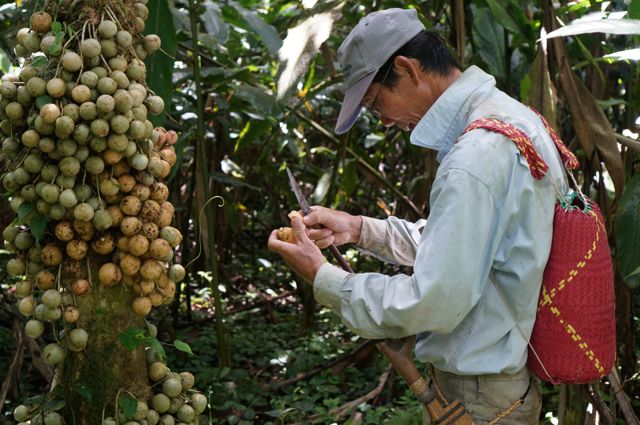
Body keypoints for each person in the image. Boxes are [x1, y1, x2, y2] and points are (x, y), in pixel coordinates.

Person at [268, 7, 568, 424]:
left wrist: (325, 279)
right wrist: (359, 229)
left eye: (376, 103)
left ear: (407, 70)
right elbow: (474, 248)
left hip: (480, 399)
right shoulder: (515, 121)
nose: (386, 121)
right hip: (501, 387)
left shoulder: (475, 158)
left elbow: (434, 302)